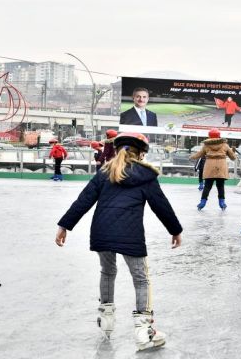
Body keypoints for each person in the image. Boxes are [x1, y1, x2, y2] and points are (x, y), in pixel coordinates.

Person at [54, 132, 182, 351]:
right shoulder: (146, 175)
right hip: (130, 235)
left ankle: (106, 318)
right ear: (141, 153)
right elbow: (161, 205)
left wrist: (64, 225)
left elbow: (83, 200)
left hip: (101, 232)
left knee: (107, 271)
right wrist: (175, 230)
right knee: (141, 278)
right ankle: (144, 331)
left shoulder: (105, 172)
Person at [190, 128, 237, 210]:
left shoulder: (206, 145)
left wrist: (191, 157)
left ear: (209, 136)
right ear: (219, 136)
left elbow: (199, 154)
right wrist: (233, 152)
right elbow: (233, 157)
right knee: (220, 186)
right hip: (221, 167)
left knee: (207, 186)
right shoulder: (225, 145)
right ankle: (222, 203)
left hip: (209, 166)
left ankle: (202, 203)